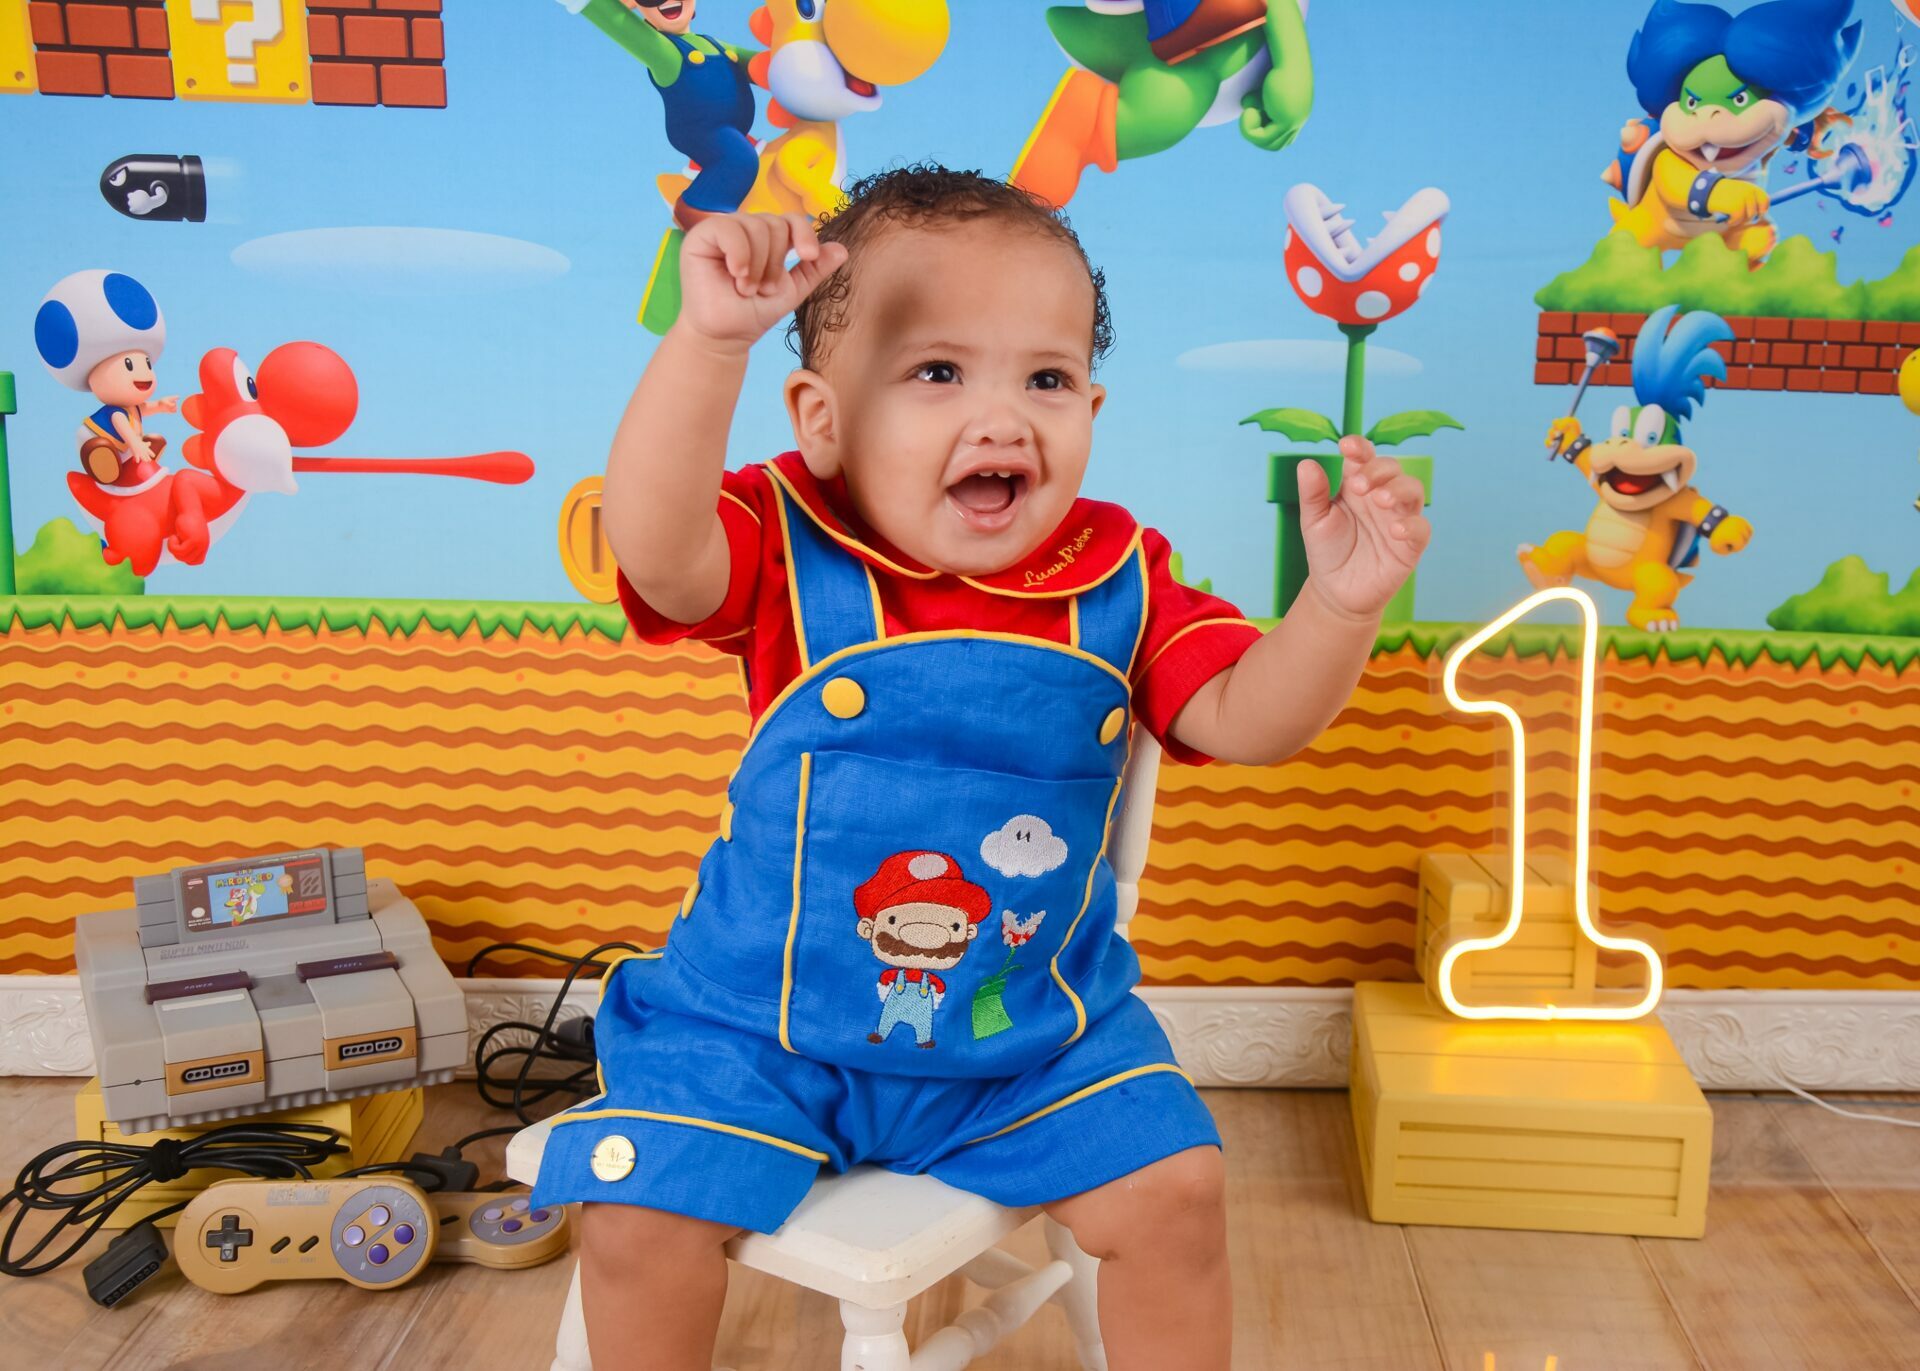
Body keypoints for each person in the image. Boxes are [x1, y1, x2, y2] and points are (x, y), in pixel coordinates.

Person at [530, 165, 1431, 1370]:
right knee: (633, 1222)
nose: (1003, 419)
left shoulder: (1120, 576)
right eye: (938, 373)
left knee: (1178, 1193)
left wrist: (1340, 606)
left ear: (1092, 410)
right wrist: (710, 343)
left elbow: (1247, 718)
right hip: (754, 1029)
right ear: (822, 419)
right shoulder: (787, 538)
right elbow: (654, 548)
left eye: (1045, 380)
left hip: (1025, 1034)